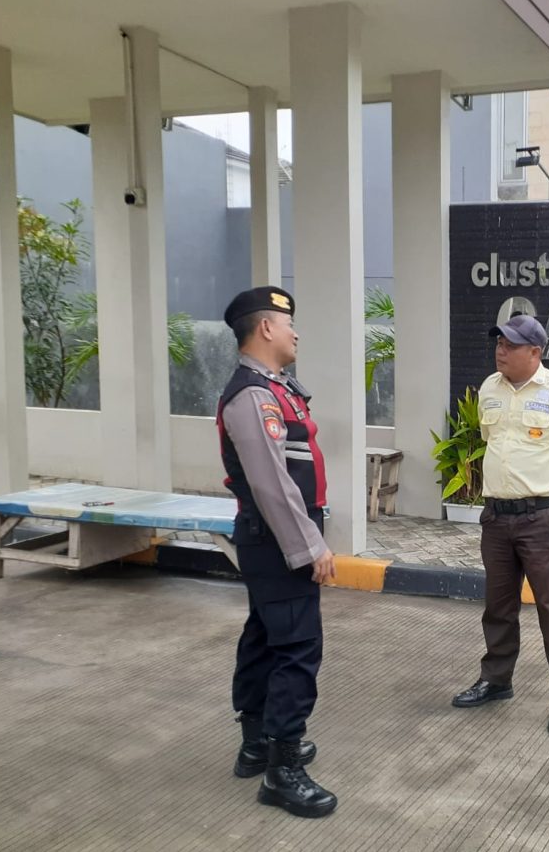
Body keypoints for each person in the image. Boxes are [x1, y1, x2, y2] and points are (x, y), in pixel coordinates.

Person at [215, 286, 338, 819]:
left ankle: (257, 745)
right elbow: (270, 485)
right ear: (265, 328)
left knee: (266, 637)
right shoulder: (253, 396)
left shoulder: (274, 389)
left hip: (272, 538)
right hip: (279, 537)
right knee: (297, 648)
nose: (295, 333)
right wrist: (310, 546)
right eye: (288, 324)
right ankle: (282, 771)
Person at [451, 314, 549, 735]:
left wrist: (546, 485)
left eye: (511, 345)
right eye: (498, 342)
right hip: (496, 517)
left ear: (535, 352)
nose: (501, 350)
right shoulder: (489, 389)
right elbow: (492, 442)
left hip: (541, 519)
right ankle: (496, 680)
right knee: (498, 606)